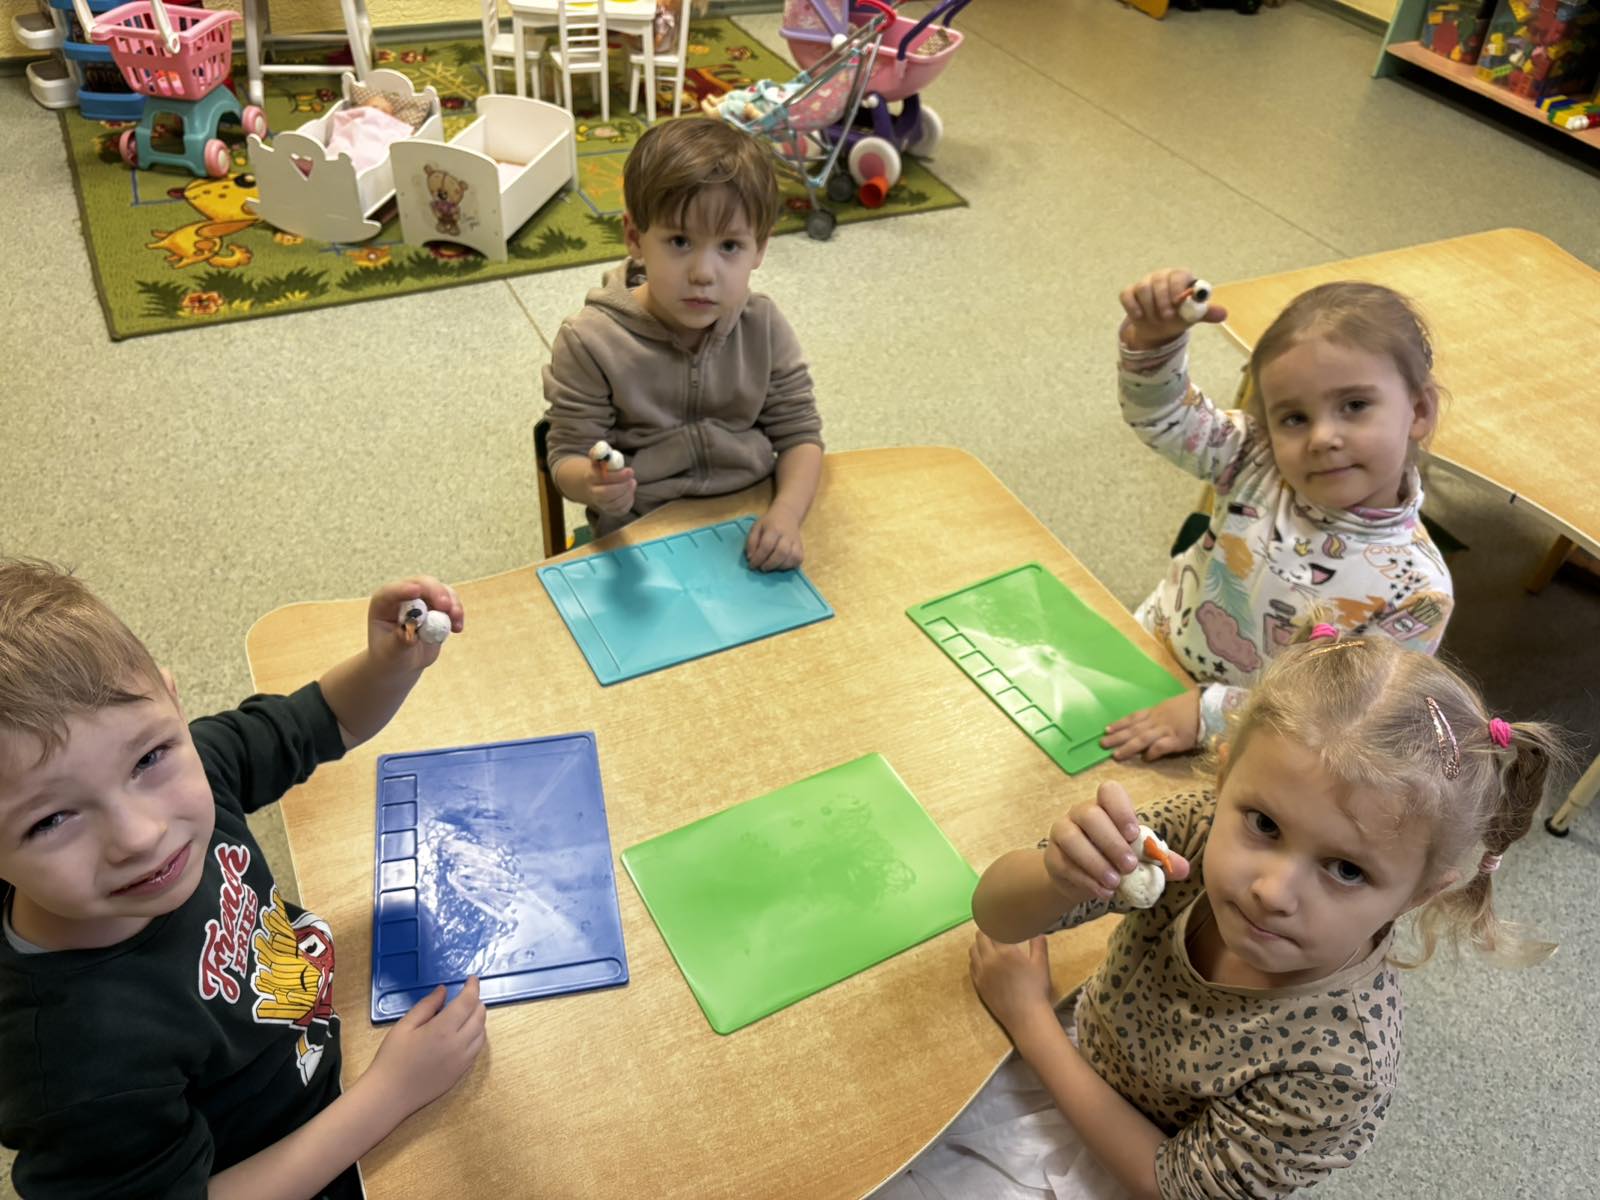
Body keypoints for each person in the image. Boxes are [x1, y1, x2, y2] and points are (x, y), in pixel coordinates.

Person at [880, 629, 1561, 1200]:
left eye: (1347, 870)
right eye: (1264, 823)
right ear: (1225, 775)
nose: (1273, 891)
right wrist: (1058, 876)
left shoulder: (1343, 1062)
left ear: (1419, 894)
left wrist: (1031, 1020)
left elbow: (1170, 1183)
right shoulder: (1192, 834)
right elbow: (996, 913)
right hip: (1080, 1050)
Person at [0, 559, 487, 1199]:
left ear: (173, 703)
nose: (140, 836)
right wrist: (389, 1094)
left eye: (149, 757)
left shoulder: (194, 764)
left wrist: (388, 665)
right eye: (52, 819)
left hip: (319, 1040)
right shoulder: (75, 1065)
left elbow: (321, 721)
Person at [1101, 270, 1454, 762]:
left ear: (1419, 411)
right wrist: (1154, 344)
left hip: (1247, 745)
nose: (1322, 437)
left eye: (1354, 405)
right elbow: (1164, 416)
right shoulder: (1253, 456)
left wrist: (1209, 713)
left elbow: (1345, 711)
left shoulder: (1419, 590)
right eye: (1294, 418)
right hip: (1148, 653)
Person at [541, 118, 824, 571]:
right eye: (679, 241)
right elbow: (567, 456)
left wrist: (787, 515)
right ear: (634, 237)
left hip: (752, 520)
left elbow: (801, 436)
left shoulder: (763, 325)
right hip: (643, 533)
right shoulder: (589, 342)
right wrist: (591, 484)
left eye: (729, 246)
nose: (703, 273)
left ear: (759, 249)